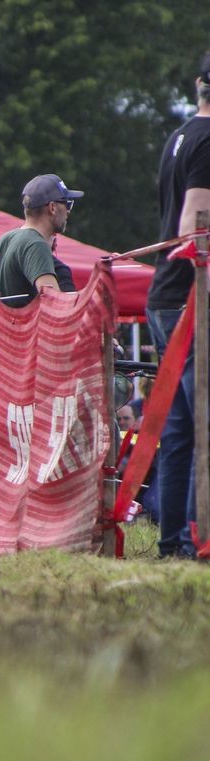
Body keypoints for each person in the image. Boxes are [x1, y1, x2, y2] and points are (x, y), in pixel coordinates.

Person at [146, 53, 210, 558]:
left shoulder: (179, 136)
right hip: (192, 297)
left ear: (197, 85)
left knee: (179, 431)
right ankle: (194, 540)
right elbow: (194, 225)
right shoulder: (209, 141)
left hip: (163, 292)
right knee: (202, 424)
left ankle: (173, 543)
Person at [0, 174, 84, 309]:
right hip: (25, 329)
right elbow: (56, 304)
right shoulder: (36, 245)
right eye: (67, 203)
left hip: (4, 328)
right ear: (52, 207)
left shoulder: (5, 239)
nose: (68, 211)